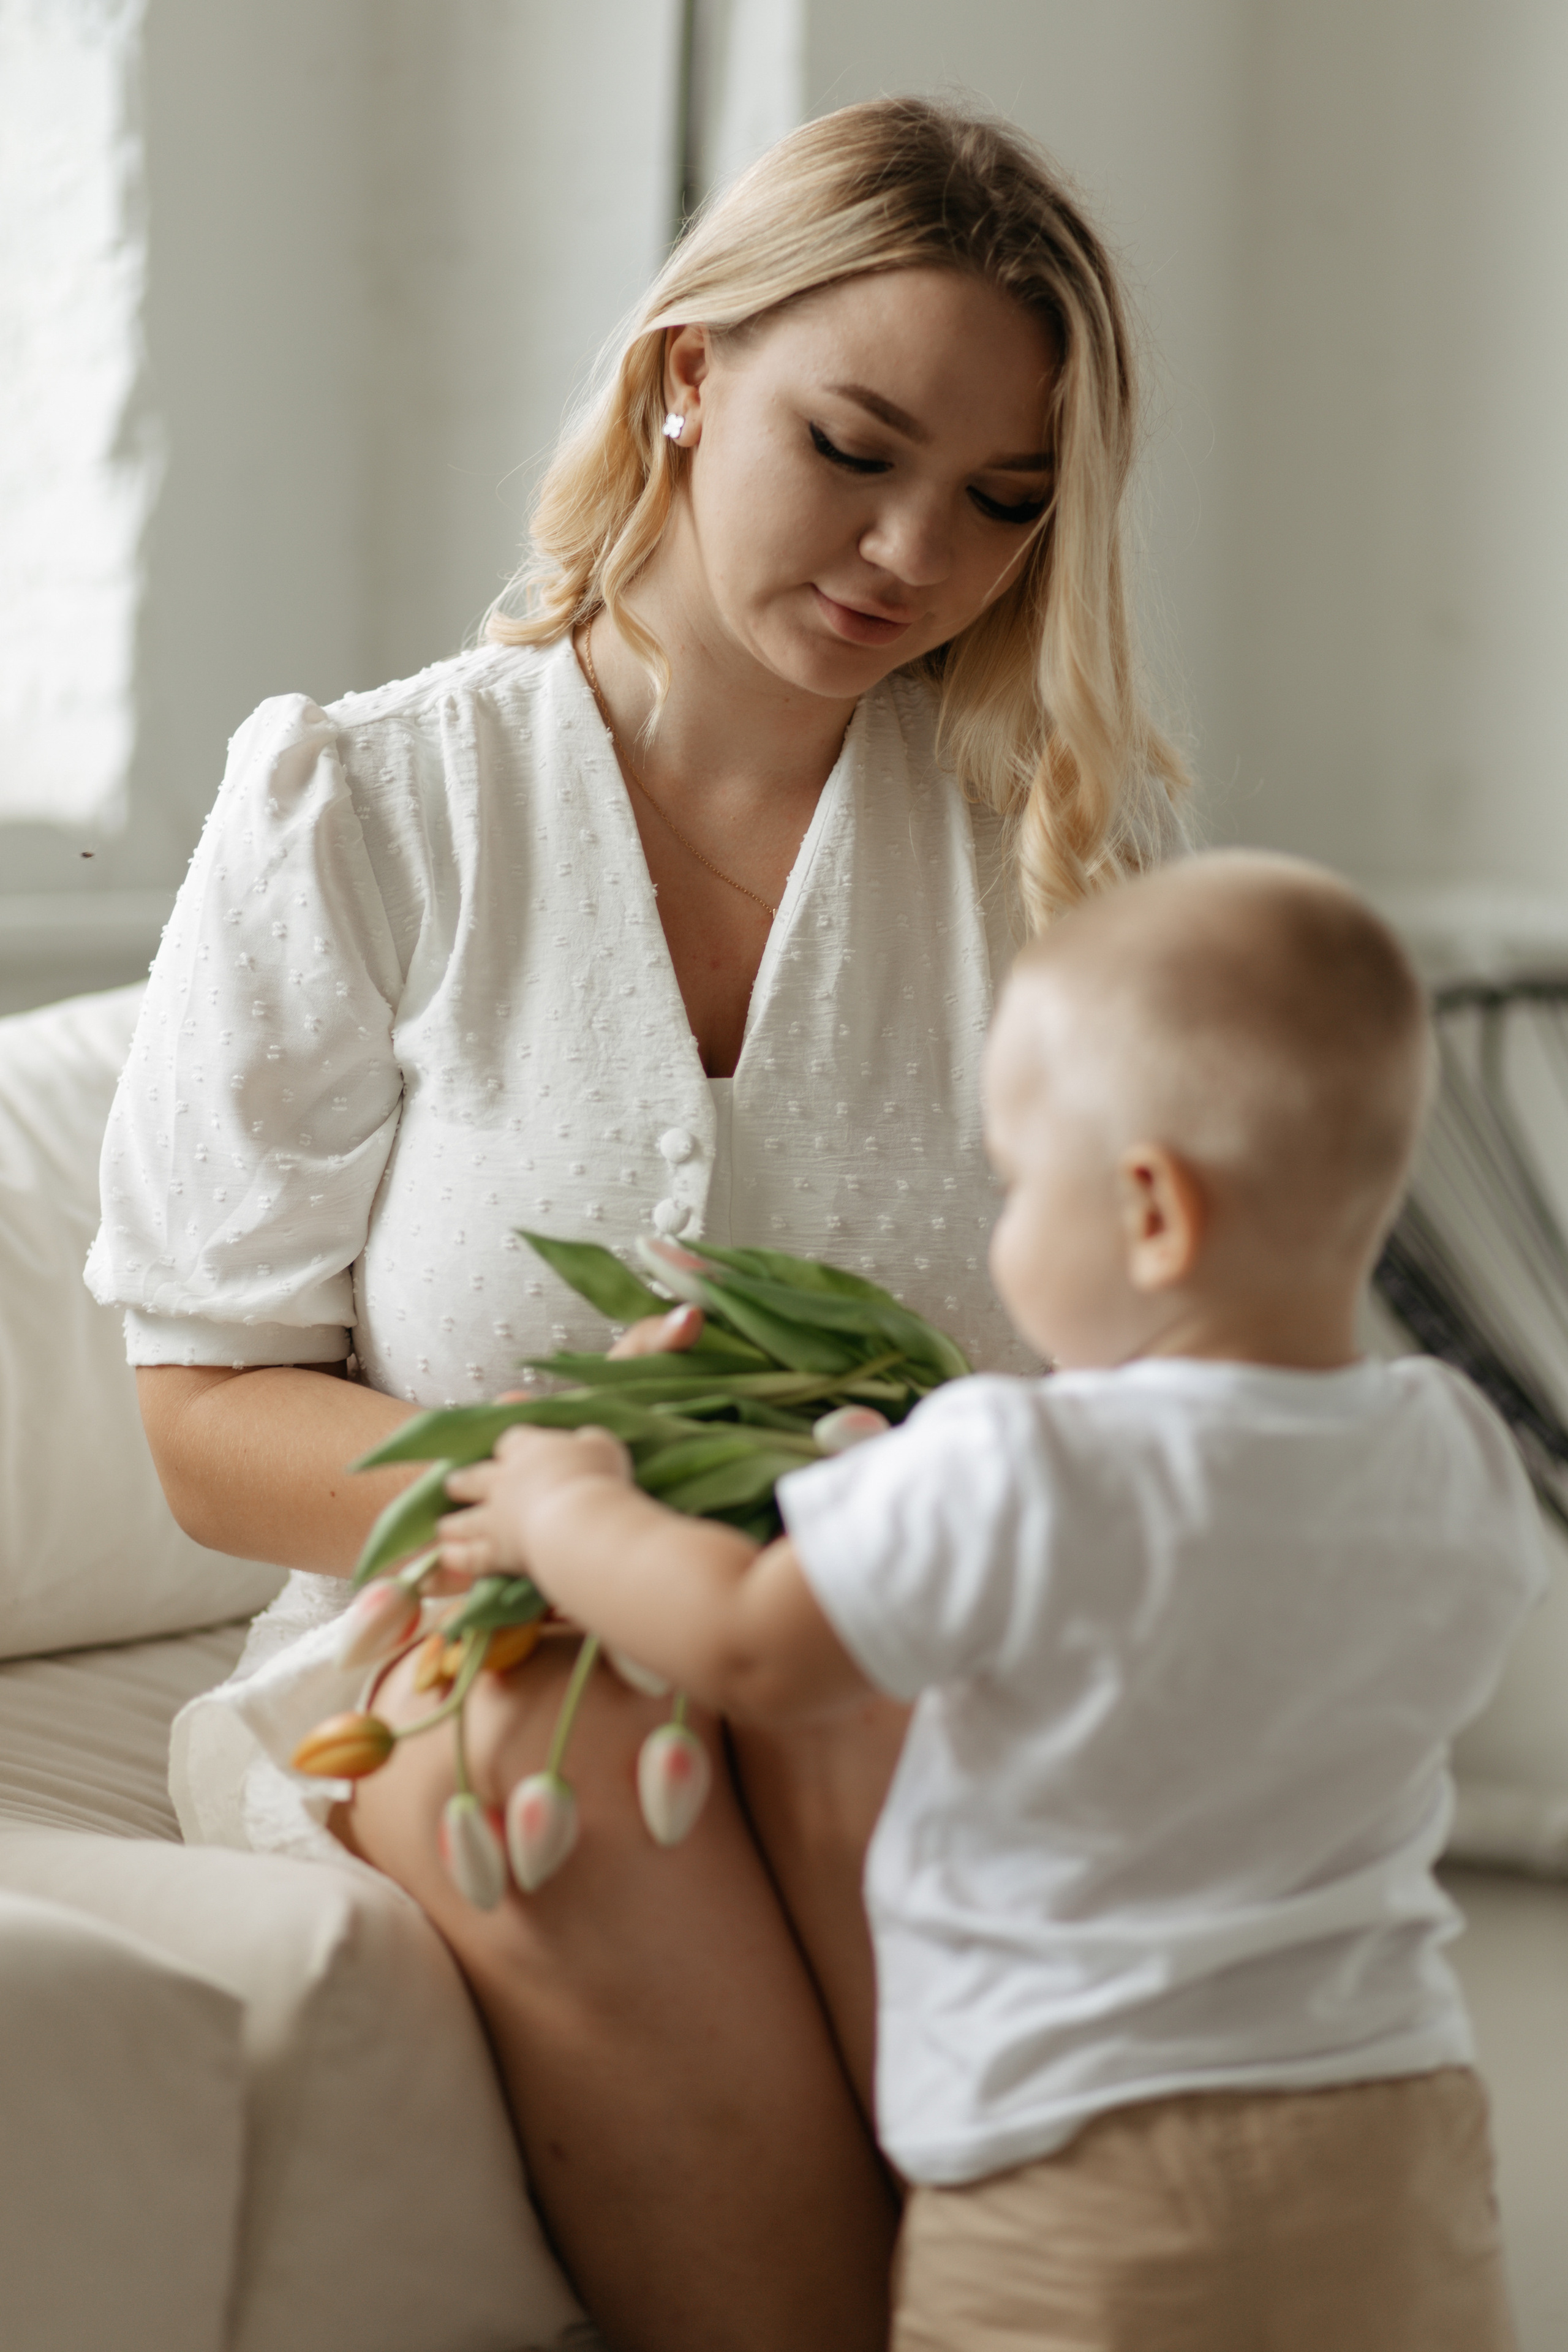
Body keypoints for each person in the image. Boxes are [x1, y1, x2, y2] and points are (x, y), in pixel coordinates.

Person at [88, 99, 1187, 2350]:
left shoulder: (1054, 866)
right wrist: (573, 1509)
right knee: (571, 1770)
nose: (912, 552)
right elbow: (201, 1416)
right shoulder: (366, 804)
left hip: (906, 1648)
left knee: (872, 1731)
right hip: (456, 1645)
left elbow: (1142, 1402)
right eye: (852, 445)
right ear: (685, 376)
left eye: (1002, 503)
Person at [440, 851, 1541, 2352]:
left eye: (1016, 1184)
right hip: (1392, 2121)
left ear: (1149, 1211)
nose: (1000, 1226)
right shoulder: (1451, 1454)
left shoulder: (1019, 1465)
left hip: (1079, 2169)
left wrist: (568, 1507)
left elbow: (754, 1644)